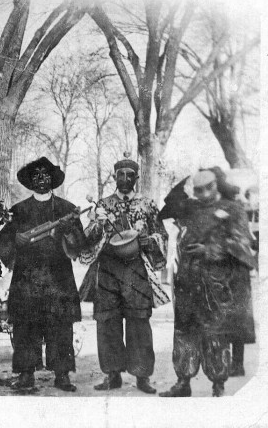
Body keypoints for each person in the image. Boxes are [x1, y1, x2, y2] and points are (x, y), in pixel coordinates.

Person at [157, 168, 256, 397]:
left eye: (207, 188)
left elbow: (241, 244)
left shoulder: (233, 209)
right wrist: (186, 179)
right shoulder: (190, 207)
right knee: (184, 331)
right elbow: (168, 207)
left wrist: (209, 249)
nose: (202, 194)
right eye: (197, 189)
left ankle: (218, 385)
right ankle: (183, 382)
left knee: (214, 333)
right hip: (187, 280)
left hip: (216, 281)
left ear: (216, 186)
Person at [0, 157, 86, 391]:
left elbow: (79, 244)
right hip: (28, 278)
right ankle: (26, 374)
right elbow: (2, 239)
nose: (41, 180)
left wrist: (68, 232)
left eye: (46, 176)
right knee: (26, 326)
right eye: (36, 176)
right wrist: (15, 240)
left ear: (53, 180)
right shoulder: (19, 210)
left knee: (60, 326)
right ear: (30, 181)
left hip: (58, 277)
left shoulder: (67, 209)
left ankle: (62, 375)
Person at [81, 153, 168, 394]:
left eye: (131, 175)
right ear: (115, 177)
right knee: (107, 321)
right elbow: (88, 236)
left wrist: (147, 239)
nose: (125, 179)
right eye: (121, 175)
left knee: (139, 320)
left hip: (136, 270)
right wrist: (97, 224)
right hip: (108, 268)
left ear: (137, 178)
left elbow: (162, 235)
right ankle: (112, 374)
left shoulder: (147, 205)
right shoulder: (103, 205)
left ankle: (142, 376)